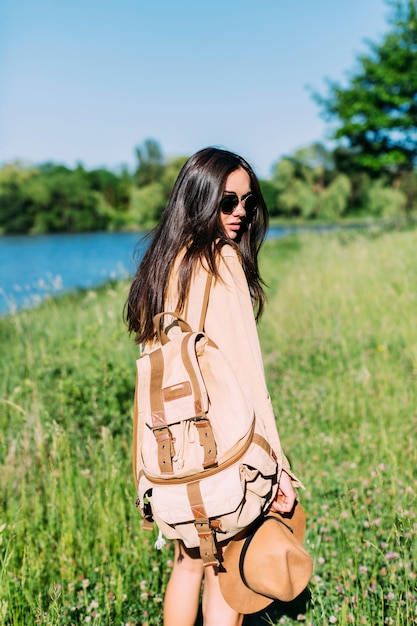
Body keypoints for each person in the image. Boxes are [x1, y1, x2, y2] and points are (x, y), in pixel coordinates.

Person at [125, 147, 301, 626]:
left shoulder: (163, 264)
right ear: (201, 199)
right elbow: (248, 373)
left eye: (248, 202)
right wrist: (280, 466)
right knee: (224, 567)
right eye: (227, 202)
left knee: (187, 561)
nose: (241, 213)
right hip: (221, 446)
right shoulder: (221, 260)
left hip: (171, 449)